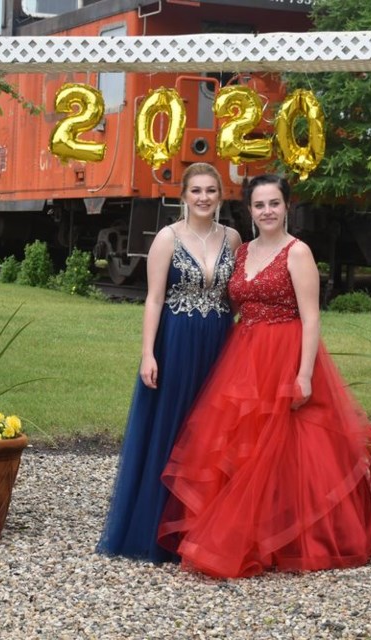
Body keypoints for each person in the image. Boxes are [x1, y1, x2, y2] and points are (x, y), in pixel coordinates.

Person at [158, 174, 371, 579]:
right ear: (250, 210)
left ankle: (295, 539)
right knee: (246, 447)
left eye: (274, 203)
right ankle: (253, 533)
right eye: (259, 205)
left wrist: (305, 373)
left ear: (287, 206)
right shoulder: (242, 253)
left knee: (293, 448)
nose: (267, 211)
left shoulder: (298, 252)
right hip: (244, 354)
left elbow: (312, 317)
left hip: (285, 352)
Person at [97, 162, 242, 562]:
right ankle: (162, 530)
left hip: (219, 340)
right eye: (196, 191)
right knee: (173, 426)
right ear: (183, 196)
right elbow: (154, 299)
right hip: (176, 340)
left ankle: (207, 526)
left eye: (211, 190)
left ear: (220, 195)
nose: (204, 198)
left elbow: (236, 295)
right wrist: (148, 353)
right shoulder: (167, 238)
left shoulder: (232, 239)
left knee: (215, 431)